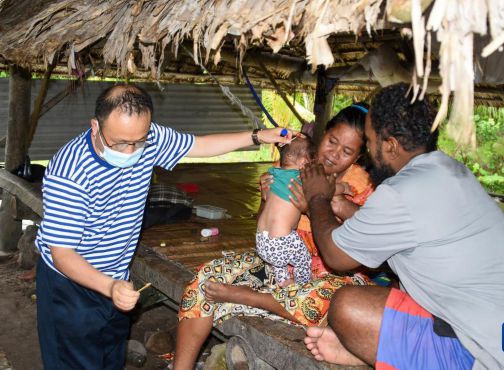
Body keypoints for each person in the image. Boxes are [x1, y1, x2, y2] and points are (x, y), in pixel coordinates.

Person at [34, 84, 292, 370]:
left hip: (116, 276)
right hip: (71, 286)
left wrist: (257, 136)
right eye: (119, 143)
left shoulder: (150, 137)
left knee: (109, 356)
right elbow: (63, 254)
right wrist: (109, 286)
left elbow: (200, 146)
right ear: (95, 127)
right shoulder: (69, 172)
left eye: (138, 142)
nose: (131, 151)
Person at [300, 83, 504, 369]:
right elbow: (402, 228)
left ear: (390, 145)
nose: (368, 151)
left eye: (368, 142)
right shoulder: (452, 171)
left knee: (348, 306)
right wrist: (343, 207)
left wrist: (317, 196)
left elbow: (334, 254)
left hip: (489, 356)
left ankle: (373, 354)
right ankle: (372, 353)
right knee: (398, 285)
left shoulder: (400, 192)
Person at [174, 103, 375, 370]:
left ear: (359, 157)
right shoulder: (295, 161)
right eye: (332, 141)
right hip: (281, 263)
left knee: (325, 300)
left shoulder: (362, 188)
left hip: (333, 276)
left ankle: (247, 297)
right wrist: (267, 199)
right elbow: (265, 225)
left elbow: (368, 242)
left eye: (347, 151)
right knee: (205, 280)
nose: (333, 154)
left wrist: (322, 206)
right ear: (322, 134)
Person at [256, 135, 316, 286]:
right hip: (281, 243)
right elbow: (323, 190)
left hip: (261, 242)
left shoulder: (271, 176)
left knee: (279, 261)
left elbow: (267, 197)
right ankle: (303, 284)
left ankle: (282, 281)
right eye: (310, 160)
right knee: (303, 259)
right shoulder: (300, 179)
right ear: (303, 161)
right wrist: (341, 187)